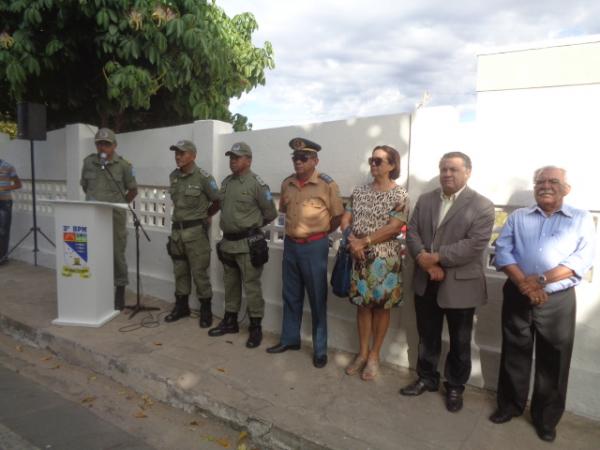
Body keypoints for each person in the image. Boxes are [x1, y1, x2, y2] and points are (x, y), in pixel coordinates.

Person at [490, 166, 595, 442]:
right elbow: (503, 250)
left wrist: (539, 280)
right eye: (540, 182)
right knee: (514, 352)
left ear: (566, 189)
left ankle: (546, 418)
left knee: (554, 360)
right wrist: (525, 283)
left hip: (557, 300)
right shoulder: (518, 217)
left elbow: (580, 261)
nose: (545, 186)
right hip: (517, 293)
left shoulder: (581, 219)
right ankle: (510, 405)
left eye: (553, 181)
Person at [401, 151, 495, 412]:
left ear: (468, 172)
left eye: (453, 169)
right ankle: (427, 378)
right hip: (426, 279)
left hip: (460, 284)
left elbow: (474, 245)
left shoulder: (482, 205)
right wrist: (423, 260)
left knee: (460, 340)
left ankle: (455, 387)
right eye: (443, 169)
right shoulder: (427, 199)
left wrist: (438, 259)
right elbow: (413, 232)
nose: (447, 174)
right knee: (427, 335)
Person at [266, 137, 344, 368]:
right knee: (290, 294)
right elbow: (284, 211)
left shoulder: (327, 185)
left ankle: (320, 349)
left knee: (317, 297)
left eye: (303, 158)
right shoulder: (287, 183)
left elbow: (337, 217)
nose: (298, 162)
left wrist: (316, 235)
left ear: (315, 160)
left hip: (315, 247)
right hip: (291, 245)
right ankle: (290, 339)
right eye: (295, 158)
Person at [340, 145, 409, 380]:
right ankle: (361, 353)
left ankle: (374, 356)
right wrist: (352, 242)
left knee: (380, 307)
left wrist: (364, 242)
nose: (373, 164)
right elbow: (346, 218)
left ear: (392, 165)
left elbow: (394, 227)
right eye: (371, 160)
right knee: (362, 305)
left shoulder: (399, 194)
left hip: (384, 259)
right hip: (359, 257)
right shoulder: (359, 191)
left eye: (379, 161)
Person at [208, 142, 278, 348]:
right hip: (228, 243)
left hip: (248, 245)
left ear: (248, 160)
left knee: (252, 286)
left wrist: (252, 227)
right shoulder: (227, 182)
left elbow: (270, 213)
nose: (232, 161)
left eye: (237, 157)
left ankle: (255, 327)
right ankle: (230, 321)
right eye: (231, 157)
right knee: (230, 284)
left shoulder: (257, 184)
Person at [164, 139, 220, 328]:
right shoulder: (174, 176)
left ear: (193, 156)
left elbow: (217, 201)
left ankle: (206, 310)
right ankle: (181, 307)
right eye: (176, 153)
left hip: (195, 233)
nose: (178, 156)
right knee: (179, 272)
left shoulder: (204, 177)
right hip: (177, 232)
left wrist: (206, 215)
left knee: (199, 273)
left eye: (182, 153)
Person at [80, 128, 137, 309]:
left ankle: (119, 289)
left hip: (115, 216)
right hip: (93, 215)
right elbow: (85, 186)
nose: (102, 147)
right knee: (92, 251)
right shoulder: (88, 162)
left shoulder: (124, 165)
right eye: (99, 143)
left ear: (114, 145)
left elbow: (133, 190)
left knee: (116, 252)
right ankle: (95, 287)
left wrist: (120, 203)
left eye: (106, 144)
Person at [0, 157, 22, 265]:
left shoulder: (8, 166)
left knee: (3, 230)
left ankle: (3, 258)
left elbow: (18, 184)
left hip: (4, 203)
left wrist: (5, 188)